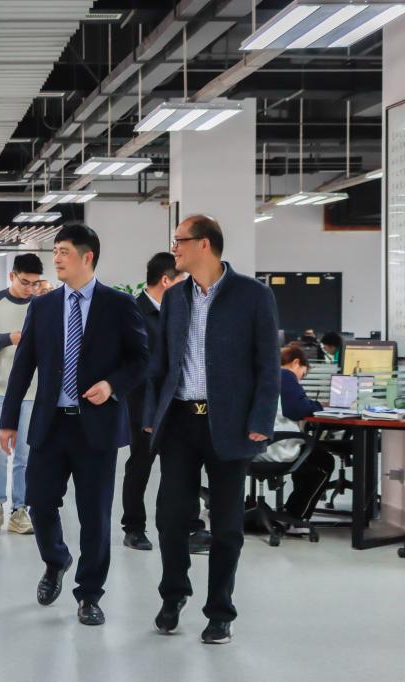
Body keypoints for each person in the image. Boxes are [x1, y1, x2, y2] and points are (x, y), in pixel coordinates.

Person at [0, 223, 148, 627]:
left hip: (96, 428)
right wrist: (8, 419)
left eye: (64, 251)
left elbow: (140, 359)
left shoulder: (118, 305)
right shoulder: (44, 306)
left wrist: (112, 385)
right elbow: (24, 365)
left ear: (88, 257)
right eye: (56, 251)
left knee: (94, 515)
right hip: (51, 424)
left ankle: (90, 594)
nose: (57, 258)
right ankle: (56, 559)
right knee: (39, 501)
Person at [144, 214, 279, 645]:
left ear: (204, 244)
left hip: (230, 425)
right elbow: (160, 364)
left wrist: (260, 420)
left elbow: (268, 365)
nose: (174, 248)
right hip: (180, 421)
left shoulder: (252, 296)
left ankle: (220, 611)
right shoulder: (175, 297)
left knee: (225, 526)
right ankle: (173, 595)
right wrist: (151, 414)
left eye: (180, 240)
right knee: (170, 518)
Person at [122, 253, 209, 552]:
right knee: (141, 465)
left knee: (183, 466)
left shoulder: (181, 310)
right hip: (143, 402)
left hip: (178, 401)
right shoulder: (134, 312)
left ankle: (187, 526)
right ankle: (134, 528)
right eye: (182, 279)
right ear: (166, 281)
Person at [0, 253, 44, 535]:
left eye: (35, 284)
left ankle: (20, 509)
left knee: (25, 450)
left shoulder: (40, 305)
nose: (30, 289)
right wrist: (8, 339)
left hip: (32, 389)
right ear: (12, 276)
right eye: (25, 282)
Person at [255, 345, 336, 526]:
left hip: (254, 446)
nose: (300, 379)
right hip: (275, 446)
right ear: (296, 362)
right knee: (323, 461)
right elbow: (296, 409)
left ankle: (291, 511)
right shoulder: (285, 375)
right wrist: (320, 406)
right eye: (303, 374)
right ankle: (297, 517)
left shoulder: (265, 375)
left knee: (308, 458)